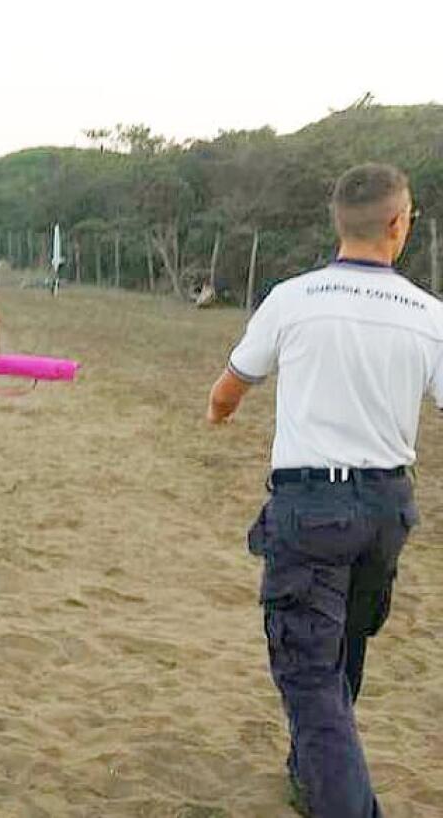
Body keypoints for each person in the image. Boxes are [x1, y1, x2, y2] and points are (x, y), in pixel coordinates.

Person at [206, 164, 434, 817]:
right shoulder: (428, 314)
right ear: (398, 224)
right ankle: (310, 773)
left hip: (312, 509)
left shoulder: (293, 298)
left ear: (340, 223)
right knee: (342, 650)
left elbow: (231, 386)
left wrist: (219, 413)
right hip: (388, 507)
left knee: (309, 675)